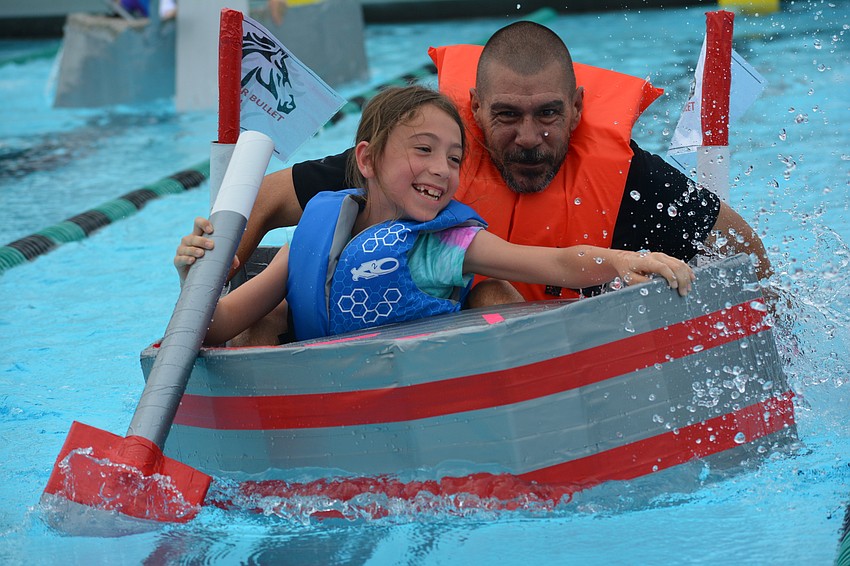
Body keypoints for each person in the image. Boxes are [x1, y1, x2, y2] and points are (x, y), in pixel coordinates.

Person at [178, 21, 770, 341]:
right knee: (269, 308)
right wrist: (208, 272)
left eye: (549, 114)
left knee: (491, 291)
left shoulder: (628, 178)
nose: (531, 136)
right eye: (508, 116)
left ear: (579, 107)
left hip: (502, 355)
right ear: (477, 109)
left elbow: (746, 254)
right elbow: (271, 197)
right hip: (342, 358)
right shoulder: (409, 162)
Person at [175, 86, 693, 345]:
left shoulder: (445, 245)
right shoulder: (310, 241)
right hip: (324, 396)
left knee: (497, 294)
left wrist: (623, 260)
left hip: (421, 401)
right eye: (422, 150)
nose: (441, 170)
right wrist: (191, 277)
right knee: (267, 315)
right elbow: (218, 326)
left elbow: (554, 264)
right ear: (366, 160)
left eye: (452, 157)